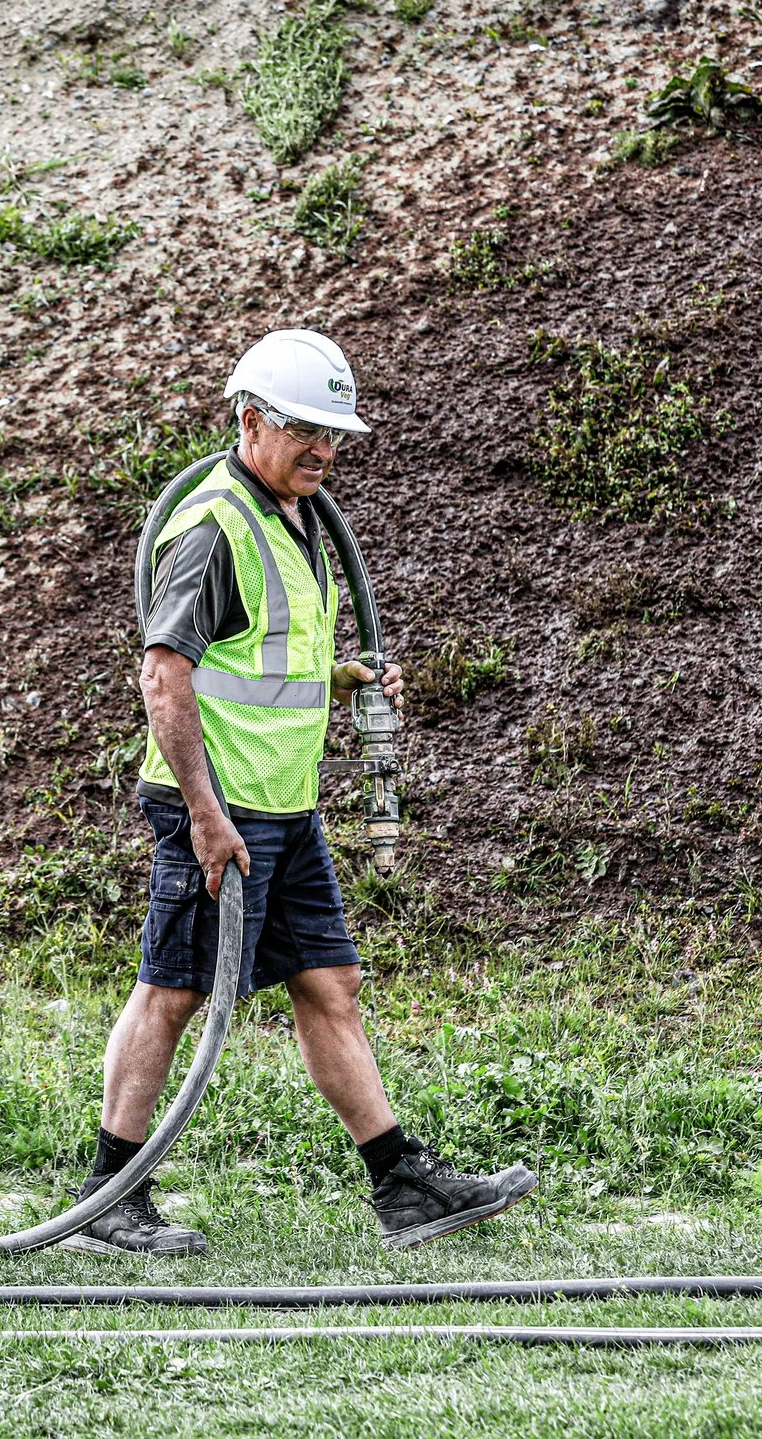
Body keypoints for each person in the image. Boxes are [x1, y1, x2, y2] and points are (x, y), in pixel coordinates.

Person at [68, 328, 540, 1258]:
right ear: (251, 422)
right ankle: (107, 1196)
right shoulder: (214, 526)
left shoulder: (296, 516)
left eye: (336, 432)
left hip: (285, 806)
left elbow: (257, 664)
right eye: (308, 430)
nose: (325, 448)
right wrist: (204, 815)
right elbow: (166, 676)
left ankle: (402, 1183)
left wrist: (346, 678)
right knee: (172, 992)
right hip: (217, 808)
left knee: (331, 983)